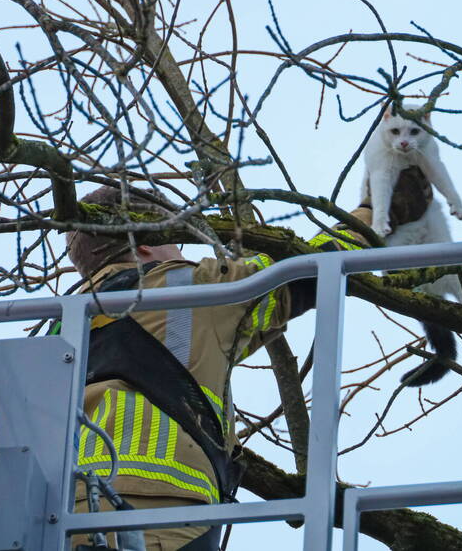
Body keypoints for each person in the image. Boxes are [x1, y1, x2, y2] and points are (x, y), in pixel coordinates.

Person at [64, 170, 431, 551]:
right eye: (176, 239)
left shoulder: (57, 328)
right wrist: (377, 211)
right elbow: (304, 268)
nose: (184, 252)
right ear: (144, 245)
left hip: (59, 519)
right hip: (159, 518)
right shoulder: (180, 290)